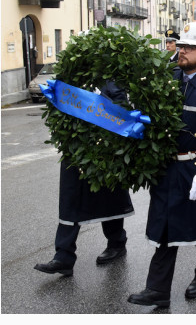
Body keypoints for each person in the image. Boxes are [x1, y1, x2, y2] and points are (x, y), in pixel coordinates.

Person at [128, 21, 196, 308]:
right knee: (165, 228)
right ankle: (158, 289)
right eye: (182, 45)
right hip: (169, 169)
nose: (182, 50)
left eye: (190, 47)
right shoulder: (167, 78)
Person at [34, 82, 133, 277]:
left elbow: (123, 111)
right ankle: (63, 257)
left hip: (104, 151)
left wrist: (103, 102)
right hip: (75, 149)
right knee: (70, 199)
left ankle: (117, 243)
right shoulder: (72, 74)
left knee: (109, 196)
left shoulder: (112, 77)